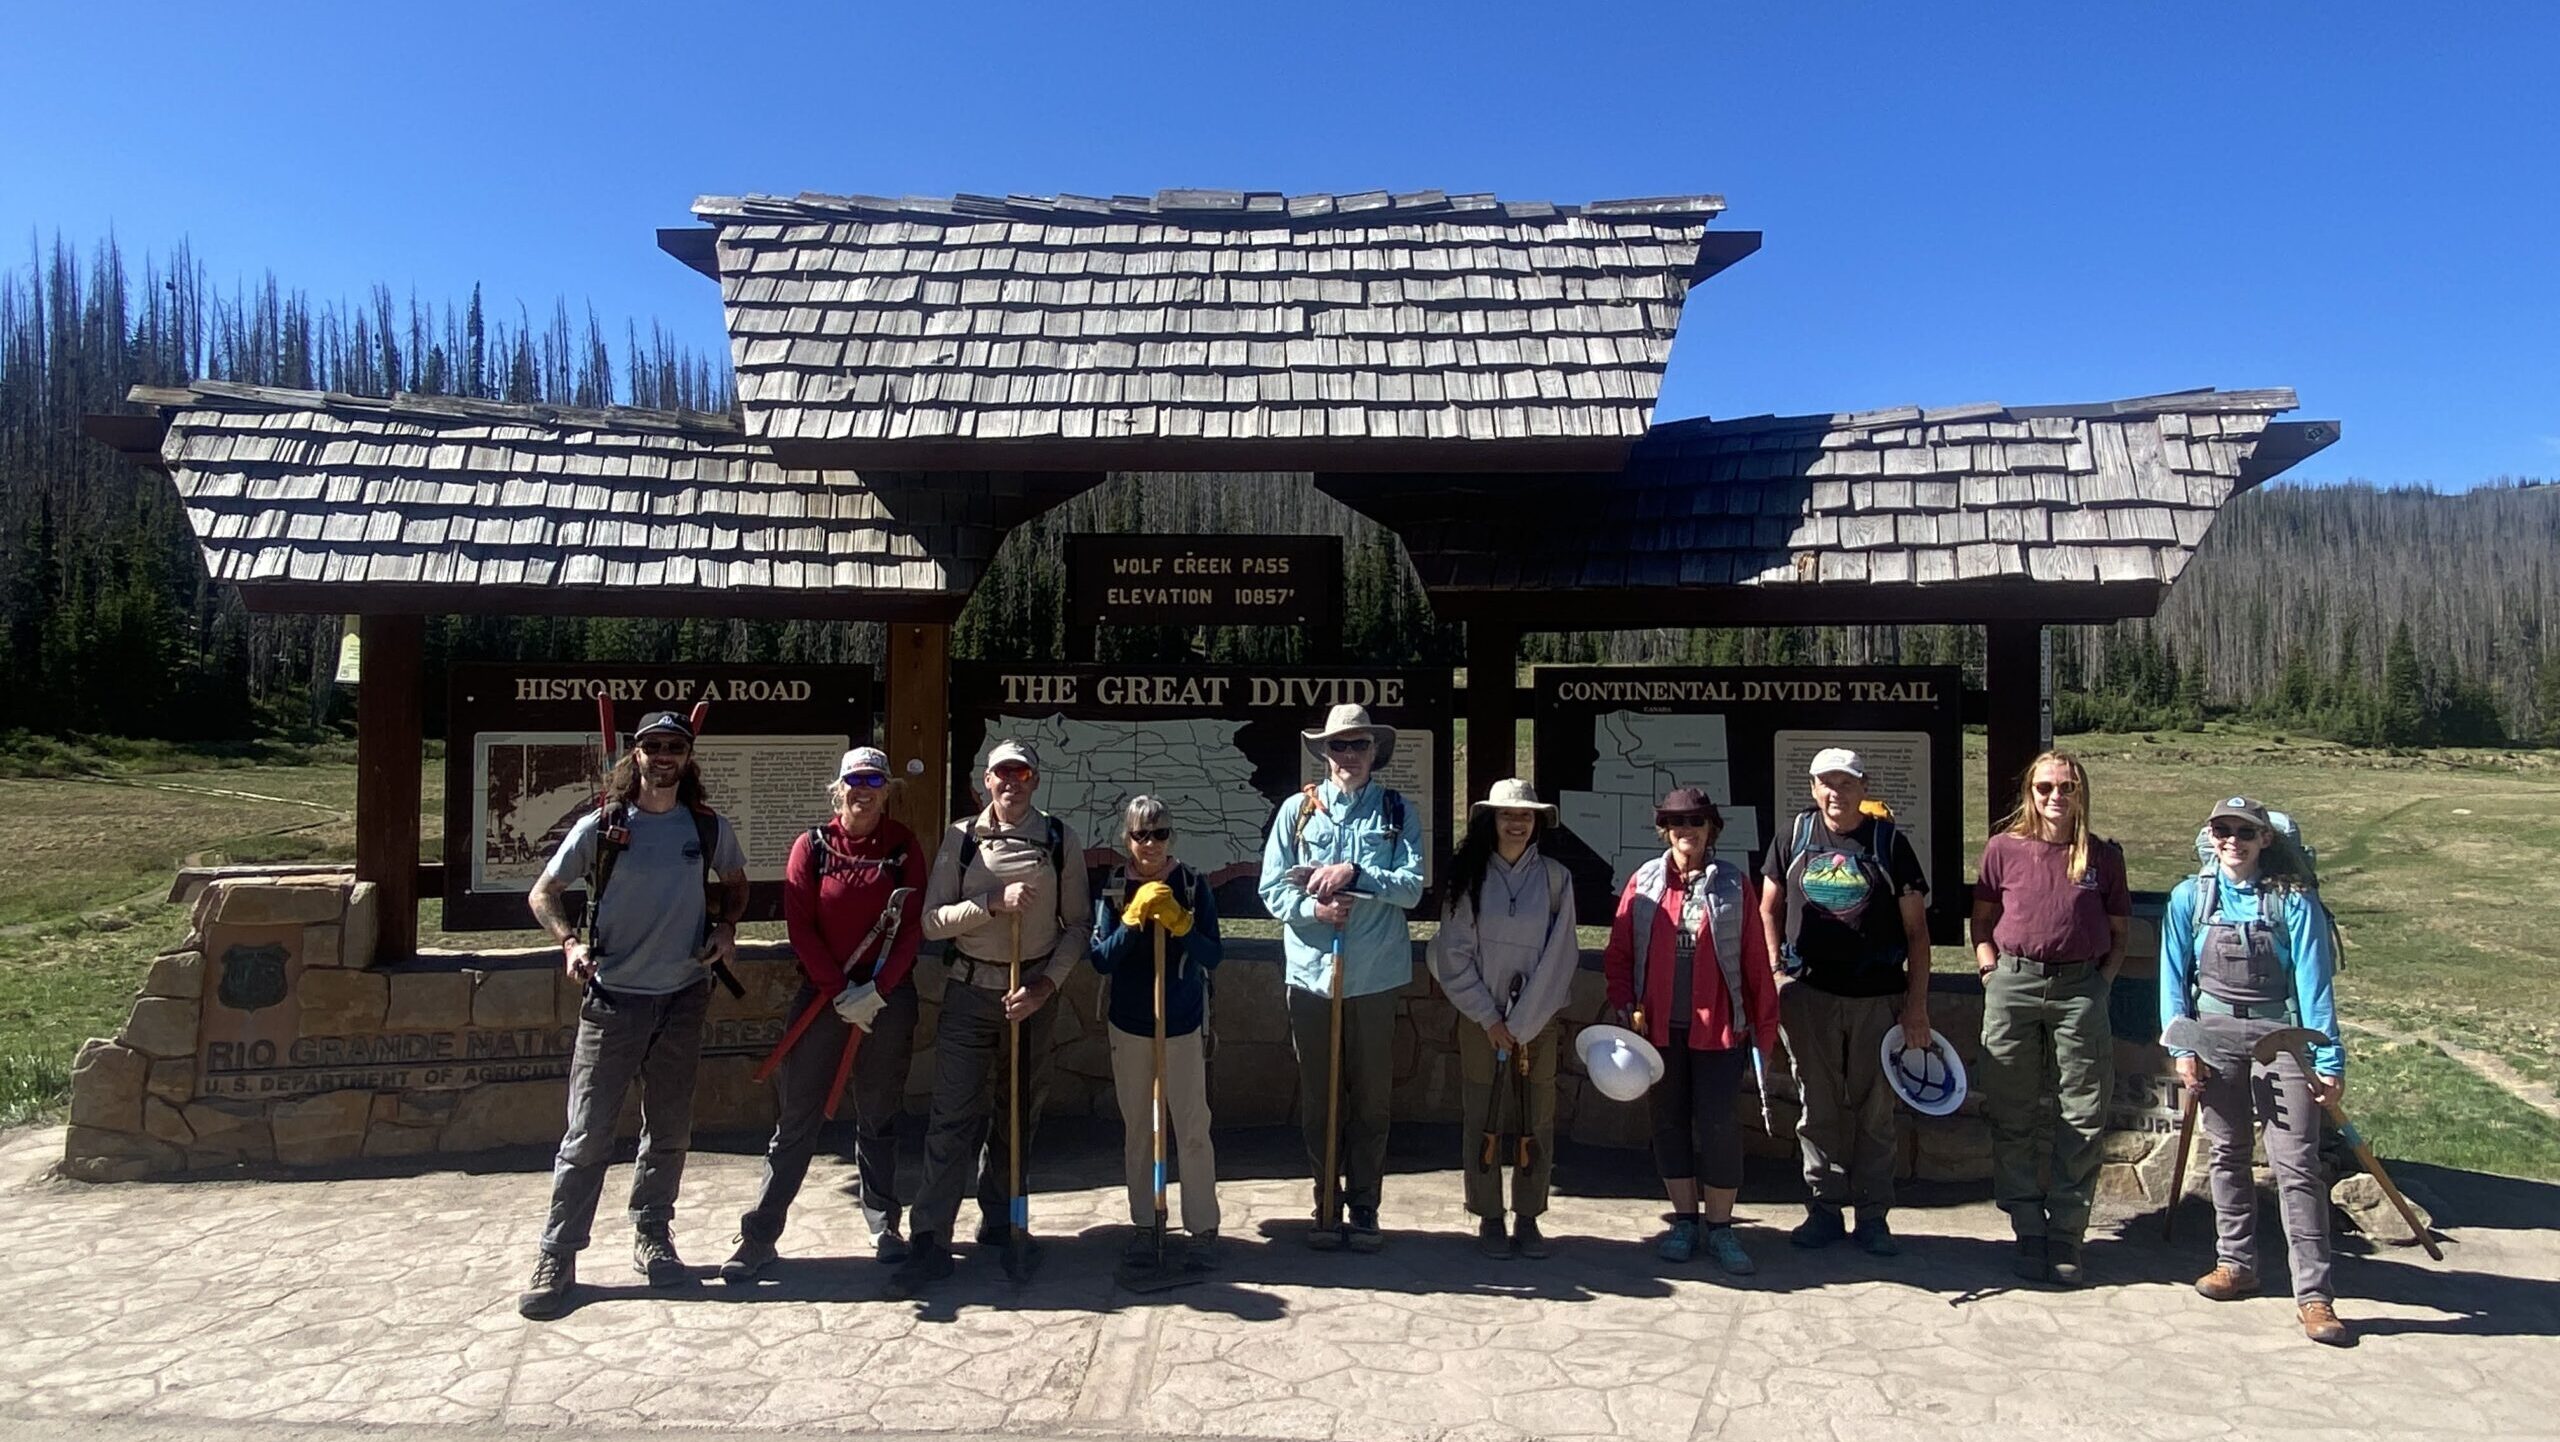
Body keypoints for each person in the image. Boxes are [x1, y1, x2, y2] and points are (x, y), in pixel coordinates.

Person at [517, 710, 748, 1320]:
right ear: (636, 755)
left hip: (682, 995)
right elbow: (543, 892)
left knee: (668, 1129)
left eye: (675, 746)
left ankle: (653, 1238)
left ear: (688, 755)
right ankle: (558, 1254)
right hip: (613, 999)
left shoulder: (705, 827)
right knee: (588, 1132)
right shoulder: (602, 826)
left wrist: (726, 927)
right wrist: (570, 942)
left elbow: (737, 882)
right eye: (654, 746)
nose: (664, 755)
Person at [723, 747, 928, 1283]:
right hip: (822, 996)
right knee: (797, 1119)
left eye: (874, 781)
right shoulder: (811, 847)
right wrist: (839, 991)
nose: (863, 791)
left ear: (887, 790)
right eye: (854, 781)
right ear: (838, 788)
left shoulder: (903, 848)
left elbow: (910, 928)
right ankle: (759, 1235)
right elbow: (801, 926)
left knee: (880, 1114)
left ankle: (884, 1223)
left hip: (886, 998)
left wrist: (877, 990)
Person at [895, 739, 1093, 1290]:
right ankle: (930, 1236)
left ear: (1034, 780)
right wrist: (990, 904)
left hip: (1030, 993)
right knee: (951, 1117)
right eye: (1002, 773)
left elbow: (1077, 925)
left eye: (1022, 773)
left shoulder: (1058, 839)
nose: (1012, 783)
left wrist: (1047, 986)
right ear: (987, 779)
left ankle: (1005, 1219)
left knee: (1018, 1113)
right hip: (969, 992)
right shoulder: (961, 839)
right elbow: (932, 922)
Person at [2161, 796, 2350, 1346]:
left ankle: (2315, 1296)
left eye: (2245, 831)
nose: (2233, 840)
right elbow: (2174, 982)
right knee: (2227, 1152)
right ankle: (2236, 1263)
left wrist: (2327, 1059)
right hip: (2214, 1033)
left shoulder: (2293, 900)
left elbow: (2315, 987)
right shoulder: (2189, 898)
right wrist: (2181, 1047)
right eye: (2222, 829)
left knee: (2297, 1165)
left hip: (2282, 1038)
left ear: (2265, 839)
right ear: (2210, 834)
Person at [1259, 703, 1425, 1252]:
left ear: (1375, 751)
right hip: (1312, 975)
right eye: (1339, 746)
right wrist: (1314, 911)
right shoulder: (1296, 812)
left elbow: (1412, 887)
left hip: (1374, 975)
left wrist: (1358, 873)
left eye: (1358, 745)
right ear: (1323, 752)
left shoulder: (1398, 811)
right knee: (1320, 1098)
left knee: (1372, 1098)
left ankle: (1366, 1205)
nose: (1348, 755)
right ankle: (1325, 1201)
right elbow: (1271, 890)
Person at [1759, 747, 1931, 1258]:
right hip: (1808, 996)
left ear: (1863, 787)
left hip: (1877, 998)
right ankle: (1824, 1208)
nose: (1837, 793)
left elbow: (1917, 932)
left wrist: (1916, 1005)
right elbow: (1767, 908)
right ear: (1813, 788)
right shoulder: (1794, 837)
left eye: (1847, 783)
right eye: (1827, 783)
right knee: (1818, 1106)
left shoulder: (1889, 843)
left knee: (1875, 1109)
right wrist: (1775, 973)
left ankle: (1874, 1215)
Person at [1606, 786, 1782, 1275]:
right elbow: (1619, 952)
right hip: (1659, 1030)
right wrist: (1623, 1003)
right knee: (1668, 1123)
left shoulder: (1733, 885)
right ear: (1665, 829)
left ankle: (1721, 1229)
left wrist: (1763, 1031)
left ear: (1712, 830)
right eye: (1678, 824)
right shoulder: (1642, 882)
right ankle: (1684, 1220)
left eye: (1697, 823)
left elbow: (1753, 961)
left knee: (1720, 1126)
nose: (1687, 832)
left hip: (1719, 1030)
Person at [1971, 751, 2130, 1288]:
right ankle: (2026, 1228)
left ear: (2081, 792)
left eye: (2066, 787)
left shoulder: (2102, 857)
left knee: (2082, 1113)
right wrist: (1989, 968)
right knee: (2010, 1108)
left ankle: (2066, 1233)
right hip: (2013, 983)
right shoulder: (2003, 849)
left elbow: (2120, 929)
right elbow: (1983, 918)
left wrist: (2102, 982)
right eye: (2044, 788)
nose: (2055, 798)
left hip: (2079, 988)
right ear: (2029, 793)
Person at [1430, 778, 1579, 1260]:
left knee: (1537, 1117)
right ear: (1490, 821)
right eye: (1507, 815)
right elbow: (1452, 952)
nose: (1516, 823)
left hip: (1537, 1021)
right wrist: (1487, 1015)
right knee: (1483, 1114)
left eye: (1525, 815)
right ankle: (1489, 1215)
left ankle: (1529, 1216)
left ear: (1537, 822)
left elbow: (1561, 953)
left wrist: (1523, 1022)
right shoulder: (1467, 878)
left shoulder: (1556, 879)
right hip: (1482, 1022)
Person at [1090, 795, 1225, 1264]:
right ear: (1126, 838)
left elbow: (1213, 955)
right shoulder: (1112, 888)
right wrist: (1131, 921)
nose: (1150, 843)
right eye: (1140, 834)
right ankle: (1146, 1224)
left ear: (1172, 836)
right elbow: (1100, 958)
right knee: (1140, 1132)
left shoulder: (1190, 885)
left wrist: (1182, 924)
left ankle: (1203, 1228)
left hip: (1182, 1022)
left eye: (1159, 833)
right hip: (1130, 1024)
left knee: (1191, 1127)